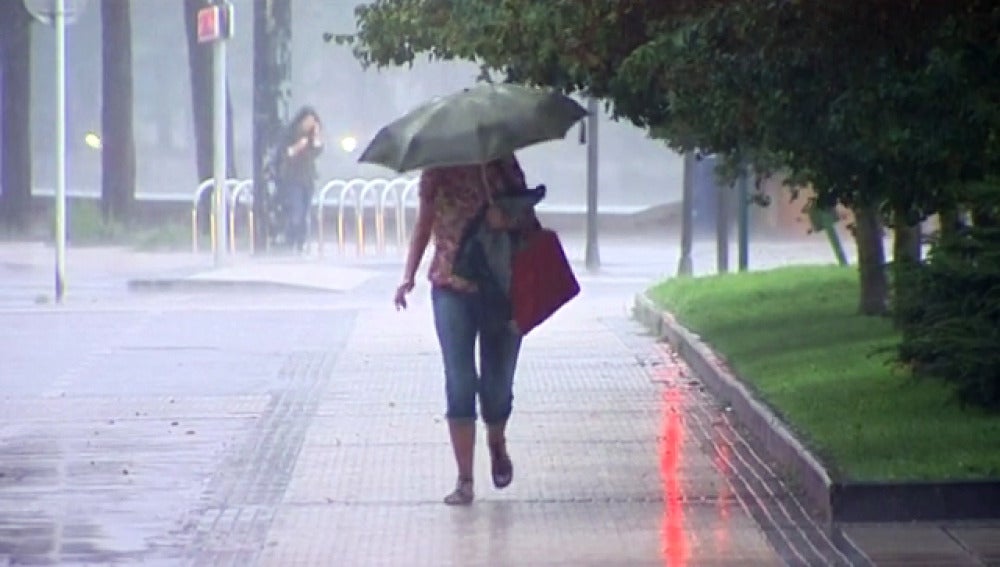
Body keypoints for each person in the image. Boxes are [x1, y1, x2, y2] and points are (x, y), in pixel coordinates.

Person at [394, 155, 533, 505]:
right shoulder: (436, 168)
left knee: (497, 385)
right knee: (459, 381)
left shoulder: (503, 162)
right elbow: (423, 224)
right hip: (450, 286)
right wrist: (408, 275)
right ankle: (465, 479)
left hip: (502, 287)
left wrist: (505, 216)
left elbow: (528, 216)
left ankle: (497, 442)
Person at [275, 106, 323, 252]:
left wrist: (315, 137)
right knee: (297, 210)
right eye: (308, 121)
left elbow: (317, 151)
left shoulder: (312, 138)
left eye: (313, 121)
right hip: (293, 178)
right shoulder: (291, 135)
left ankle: (300, 241)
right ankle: (291, 238)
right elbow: (284, 154)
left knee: (305, 211)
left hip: (307, 179)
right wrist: (297, 147)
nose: (310, 124)